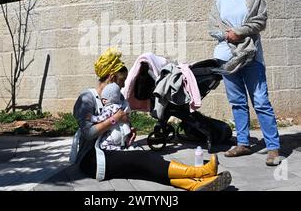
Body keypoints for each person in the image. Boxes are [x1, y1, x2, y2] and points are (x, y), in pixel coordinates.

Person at [72, 47, 232, 191]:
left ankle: (195, 185)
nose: (122, 87)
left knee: (147, 168)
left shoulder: (117, 98)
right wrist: (114, 119)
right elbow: (89, 133)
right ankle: (200, 172)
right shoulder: (87, 98)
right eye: (121, 82)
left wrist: (128, 132)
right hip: (92, 159)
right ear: (112, 77)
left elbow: (119, 125)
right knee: (143, 159)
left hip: (112, 151)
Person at [208, 0, 280, 166]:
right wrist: (227, 36)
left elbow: (260, 21)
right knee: (237, 102)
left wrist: (238, 32)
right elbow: (212, 27)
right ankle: (242, 143)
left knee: (260, 101)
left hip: (250, 56)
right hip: (226, 58)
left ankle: (273, 147)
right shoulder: (218, 1)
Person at [90, 82, 133, 151]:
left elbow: (101, 118)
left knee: (103, 145)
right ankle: (125, 147)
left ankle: (120, 150)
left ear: (110, 98)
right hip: (123, 134)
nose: (103, 101)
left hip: (114, 134)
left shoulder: (109, 108)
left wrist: (91, 118)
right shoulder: (120, 106)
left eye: (105, 99)